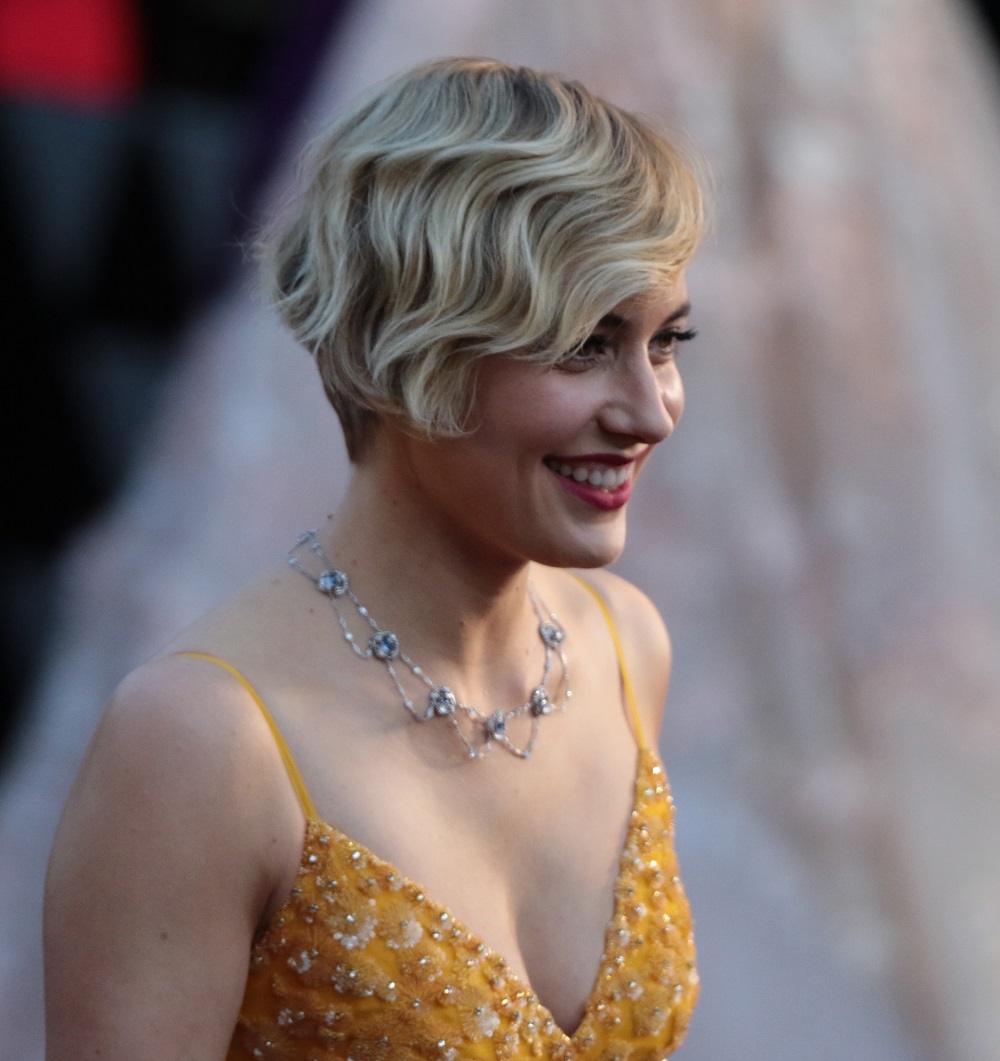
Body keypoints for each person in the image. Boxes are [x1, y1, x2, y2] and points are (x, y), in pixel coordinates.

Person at [43, 57, 706, 1060]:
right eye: (582, 343)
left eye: (663, 342)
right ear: (410, 344)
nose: (649, 411)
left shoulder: (623, 643)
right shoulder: (202, 740)